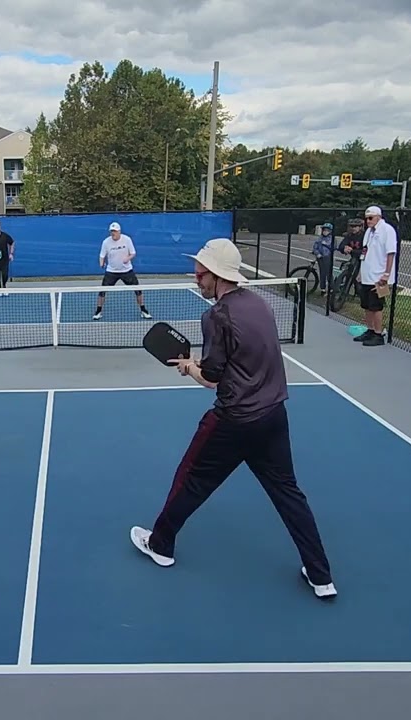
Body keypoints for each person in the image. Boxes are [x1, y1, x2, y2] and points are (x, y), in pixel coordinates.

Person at [129, 238, 336, 600]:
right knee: (289, 494)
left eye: (200, 271)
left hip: (234, 421)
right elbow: (240, 362)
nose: (196, 277)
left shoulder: (216, 315)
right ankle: (320, 575)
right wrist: (199, 365)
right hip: (273, 416)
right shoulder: (261, 304)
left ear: (215, 275)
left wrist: (190, 367)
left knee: (189, 479)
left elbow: (211, 378)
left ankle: (160, 544)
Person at [354, 206, 398, 347]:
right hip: (367, 273)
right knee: (366, 305)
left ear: (378, 217)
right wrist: (361, 272)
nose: (368, 221)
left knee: (376, 306)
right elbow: (365, 252)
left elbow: (390, 253)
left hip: (379, 276)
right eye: (366, 218)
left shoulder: (387, 230)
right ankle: (370, 330)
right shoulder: (368, 232)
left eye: (371, 218)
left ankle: (378, 334)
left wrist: (386, 274)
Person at [94, 221, 151, 320]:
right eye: (111, 231)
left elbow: (133, 253)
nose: (113, 233)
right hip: (111, 271)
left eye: (115, 231)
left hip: (127, 271)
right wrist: (101, 263)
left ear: (119, 231)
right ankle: (98, 311)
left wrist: (127, 259)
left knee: (138, 290)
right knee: (102, 292)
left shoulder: (127, 240)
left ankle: (143, 310)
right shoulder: (106, 242)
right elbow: (102, 255)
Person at [311, 223, 335, 291]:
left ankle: (331, 288)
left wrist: (326, 244)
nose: (325, 231)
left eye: (327, 230)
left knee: (329, 273)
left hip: (328, 257)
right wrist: (317, 253)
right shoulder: (319, 238)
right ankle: (323, 288)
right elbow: (315, 247)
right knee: (322, 272)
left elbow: (334, 247)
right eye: (324, 230)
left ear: (330, 231)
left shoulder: (332, 239)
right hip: (320, 257)